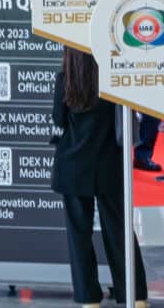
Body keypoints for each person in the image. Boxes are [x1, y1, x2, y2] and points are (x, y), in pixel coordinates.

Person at [52, 46, 147, 308]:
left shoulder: (65, 79)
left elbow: (58, 120)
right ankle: (135, 295)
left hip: (72, 166)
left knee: (78, 235)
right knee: (119, 231)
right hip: (109, 165)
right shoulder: (112, 79)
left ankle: (88, 298)